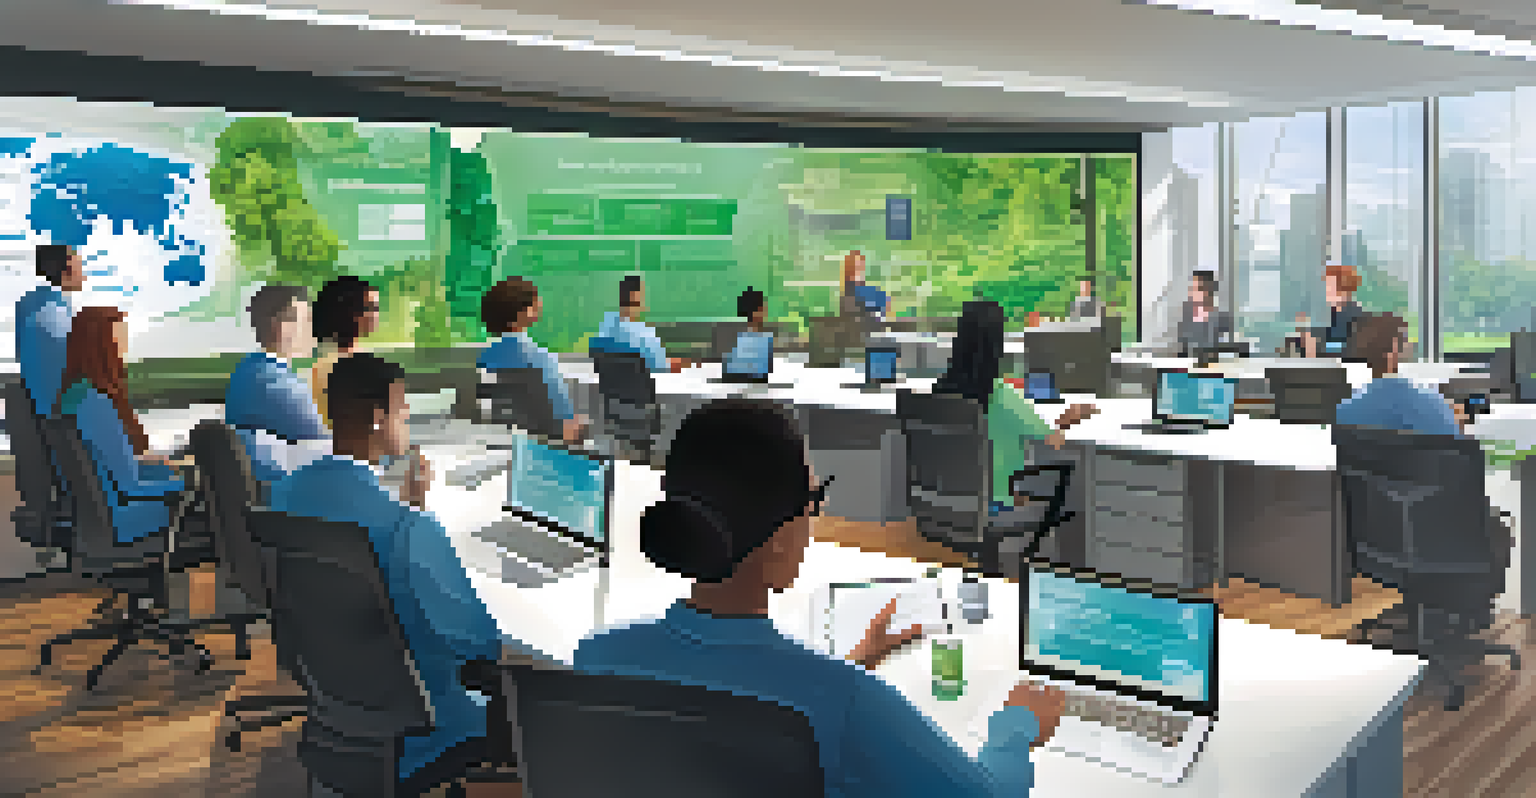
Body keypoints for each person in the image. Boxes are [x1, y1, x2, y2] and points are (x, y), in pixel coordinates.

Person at [575, 397, 1065, 797]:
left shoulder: (598, 657)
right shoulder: (847, 702)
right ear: (779, 540)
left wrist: (856, 660)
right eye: (813, 502)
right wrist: (1017, 728)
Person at [268, 353, 546, 786]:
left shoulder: (285, 494)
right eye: (402, 408)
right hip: (422, 729)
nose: (408, 417)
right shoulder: (409, 528)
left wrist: (407, 508)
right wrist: (416, 519)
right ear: (379, 418)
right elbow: (479, 644)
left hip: (333, 708)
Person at [935, 300, 1097, 514]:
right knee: (1064, 497)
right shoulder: (1002, 395)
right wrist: (1067, 421)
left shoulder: (940, 394)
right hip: (995, 505)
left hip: (948, 504)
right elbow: (1053, 442)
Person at [53, 307, 185, 543]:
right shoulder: (96, 404)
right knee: (212, 503)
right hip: (122, 516)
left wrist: (155, 465)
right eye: (120, 343)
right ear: (102, 348)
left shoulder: (74, 395)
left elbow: (107, 466)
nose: (124, 352)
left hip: (93, 515)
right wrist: (190, 484)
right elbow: (129, 487)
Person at [225, 284, 329, 485]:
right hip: (284, 487)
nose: (315, 330)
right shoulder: (274, 381)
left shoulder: (250, 368)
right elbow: (325, 441)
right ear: (280, 326)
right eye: (308, 320)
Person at [478, 276, 589, 443]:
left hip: (506, 438)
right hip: (544, 443)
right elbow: (563, 418)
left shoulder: (484, 356)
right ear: (525, 312)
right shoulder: (539, 358)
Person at [1336, 312, 1467, 436]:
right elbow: (1455, 444)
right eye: (1406, 339)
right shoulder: (1436, 406)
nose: (1410, 345)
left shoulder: (1344, 413)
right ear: (1394, 347)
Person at [16, 244, 86, 417]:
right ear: (68, 268)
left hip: (36, 410)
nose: (84, 275)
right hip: (61, 413)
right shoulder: (55, 311)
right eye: (80, 266)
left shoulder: (27, 304)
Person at [309, 276, 381, 429]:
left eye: (376, 308)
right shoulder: (333, 365)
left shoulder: (358, 358)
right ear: (349, 312)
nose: (375, 315)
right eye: (369, 308)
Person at [591, 275, 691, 373]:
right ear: (638, 300)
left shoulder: (606, 325)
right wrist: (686, 363)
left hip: (611, 382)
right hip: (642, 381)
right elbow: (661, 366)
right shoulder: (645, 334)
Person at [1303, 262, 1365, 359]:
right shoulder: (1324, 314)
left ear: (1343, 288)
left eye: (1328, 285)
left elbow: (1348, 350)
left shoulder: (1356, 315)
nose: (1324, 290)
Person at [1176, 270, 1234, 357]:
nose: (1192, 293)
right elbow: (1183, 349)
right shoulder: (1186, 317)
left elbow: (1227, 348)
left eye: (1198, 289)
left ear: (1209, 291)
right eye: (1192, 288)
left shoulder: (1222, 319)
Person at [841, 250, 889, 316]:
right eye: (857, 267)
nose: (861, 271)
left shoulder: (869, 290)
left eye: (862, 266)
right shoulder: (853, 292)